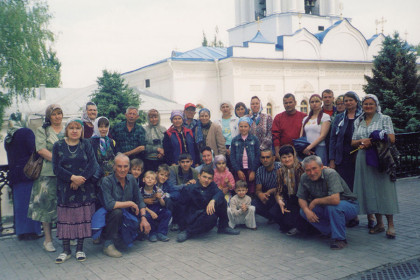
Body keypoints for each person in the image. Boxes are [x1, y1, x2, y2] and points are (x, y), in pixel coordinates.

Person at [352, 94, 399, 239]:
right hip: (363, 158)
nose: (368, 106)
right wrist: (362, 140)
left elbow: (392, 138)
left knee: (384, 189)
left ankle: (390, 224)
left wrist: (372, 140)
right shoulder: (358, 121)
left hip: (380, 158)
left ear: (376, 105)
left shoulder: (385, 119)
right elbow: (353, 142)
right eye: (365, 104)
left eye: (371, 104)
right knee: (370, 190)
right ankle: (379, 224)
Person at [52, 118, 98, 263]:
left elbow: (92, 164)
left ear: (81, 131)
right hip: (65, 188)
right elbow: (56, 168)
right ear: (66, 130)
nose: (74, 131)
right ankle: (66, 250)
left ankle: (80, 249)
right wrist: (72, 178)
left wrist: (80, 179)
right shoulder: (58, 145)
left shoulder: (87, 144)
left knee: (81, 218)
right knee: (66, 219)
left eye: (77, 128)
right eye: (71, 128)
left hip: (84, 188)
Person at [297, 155, 359, 250]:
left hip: (348, 204)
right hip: (326, 206)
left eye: (314, 168)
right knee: (303, 211)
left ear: (321, 166)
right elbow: (301, 198)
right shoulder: (304, 177)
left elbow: (335, 199)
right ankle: (330, 231)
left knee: (333, 207)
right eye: (308, 170)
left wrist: (316, 201)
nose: (312, 173)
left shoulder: (330, 174)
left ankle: (340, 239)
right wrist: (306, 210)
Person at [28, 104, 65, 253]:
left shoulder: (68, 128)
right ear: (49, 116)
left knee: (64, 204)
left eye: (59, 113)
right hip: (47, 173)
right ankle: (48, 240)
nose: (57, 116)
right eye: (54, 114)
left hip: (65, 174)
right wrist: (59, 161)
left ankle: (66, 235)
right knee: (46, 207)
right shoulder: (42, 130)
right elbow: (41, 150)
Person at [100, 154, 151, 258]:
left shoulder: (131, 179)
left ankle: (121, 237)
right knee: (117, 212)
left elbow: (140, 199)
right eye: (119, 166)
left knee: (144, 218)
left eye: (125, 166)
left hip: (127, 213)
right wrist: (130, 203)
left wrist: (144, 218)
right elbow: (110, 204)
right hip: (110, 215)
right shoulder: (107, 181)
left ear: (129, 167)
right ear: (114, 166)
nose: (122, 170)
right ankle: (108, 244)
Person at [176, 166, 240, 242]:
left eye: (209, 178)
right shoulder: (189, 188)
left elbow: (220, 193)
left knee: (222, 200)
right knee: (211, 217)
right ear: (199, 176)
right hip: (193, 218)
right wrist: (182, 226)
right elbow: (180, 208)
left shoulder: (212, 185)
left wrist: (213, 200)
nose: (206, 180)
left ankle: (223, 227)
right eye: (204, 177)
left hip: (205, 213)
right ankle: (187, 232)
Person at [4, 115, 41, 240]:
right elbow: (34, 150)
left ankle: (21, 232)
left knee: (20, 205)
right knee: (31, 203)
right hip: (28, 173)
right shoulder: (26, 132)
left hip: (14, 174)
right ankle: (32, 232)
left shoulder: (8, 137)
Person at [329, 92, 362, 191]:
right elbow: (333, 139)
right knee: (345, 184)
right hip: (342, 157)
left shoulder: (362, 117)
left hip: (358, 155)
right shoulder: (340, 118)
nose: (348, 103)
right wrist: (332, 159)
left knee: (358, 183)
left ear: (356, 101)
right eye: (346, 101)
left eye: (351, 100)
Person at [275, 145, 307, 236]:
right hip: (290, 198)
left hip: (303, 198)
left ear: (294, 156)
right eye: (284, 157)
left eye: (289, 156)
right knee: (278, 213)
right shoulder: (280, 171)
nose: (287, 159)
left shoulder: (302, 167)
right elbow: (278, 190)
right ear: (280, 159)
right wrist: (280, 201)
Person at [230, 116, 261, 195]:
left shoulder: (254, 139)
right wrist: (238, 170)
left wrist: (253, 171)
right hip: (239, 170)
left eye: (245, 126)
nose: (243, 128)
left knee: (251, 190)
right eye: (241, 126)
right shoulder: (235, 140)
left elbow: (258, 156)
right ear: (238, 127)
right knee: (240, 189)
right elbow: (232, 157)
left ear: (249, 127)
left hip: (251, 169)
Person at [272, 93, 307, 161]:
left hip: (300, 152)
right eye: (286, 103)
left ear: (295, 102)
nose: (288, 105)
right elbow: (275, 136)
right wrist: (277, 152)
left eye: (290, 102)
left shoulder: (304, 117)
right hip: (284, 153)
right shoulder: (278, 117)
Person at [252, 149, 282, 224]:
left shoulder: (280, 167)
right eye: (263, 157)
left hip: (280, 194)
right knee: (253, 204)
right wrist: (261, 195)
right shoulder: (259, 170)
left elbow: (284, 187)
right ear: (260, 159)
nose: (265, 160)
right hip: (268, 196)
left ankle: (276, 216)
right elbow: (258, 190)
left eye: (268, 157)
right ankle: (271, 217)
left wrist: (271, 191)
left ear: (273, 158)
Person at [300, 94, 331, 165]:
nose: (314, 104)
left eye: (317, 101)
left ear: (321, 103)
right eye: (312, 102)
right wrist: (305, 147)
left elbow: (322, 136)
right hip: (307, 149)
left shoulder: (325, 117)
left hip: (319, 148)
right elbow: (301, 135)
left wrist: (310, 147)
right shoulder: (305, 119)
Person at [141, 171, 172, 242]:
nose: (149, 180)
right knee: (147, 216)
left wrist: (159, 198)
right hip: (147, 210)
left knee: (167, 213)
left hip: (157, 209)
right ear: (143, 179)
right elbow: (140, 204)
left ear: (155, 182)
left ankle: (161, 232)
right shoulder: (140, 191)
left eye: (152, 178)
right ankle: (152, 233)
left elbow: (163, 204)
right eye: (148, 177)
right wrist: (151, 212)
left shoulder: (158, 190)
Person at [156, 164, 181, 231]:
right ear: (156, 173)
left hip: (163, 203)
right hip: (153, 203)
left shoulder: (167, 183)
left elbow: (176, 193)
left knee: (170, 200)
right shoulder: (152, 181)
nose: (163, 177)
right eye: (161, 174)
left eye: (166, 176)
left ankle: (170, 220)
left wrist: (167, 194)